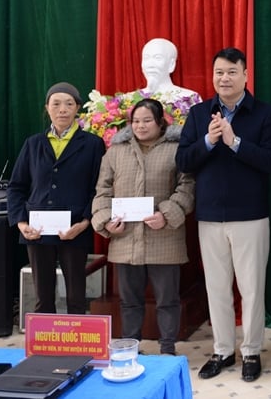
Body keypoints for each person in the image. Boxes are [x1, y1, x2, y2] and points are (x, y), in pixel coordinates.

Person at [175, 47, 271, 382]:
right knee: (217, 288)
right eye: (219, 72)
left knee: (251, 289)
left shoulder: (264, 114)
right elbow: (182, 161)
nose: (224, 78)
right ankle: (222, 350)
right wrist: (208, 140)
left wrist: (236, 143)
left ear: (246, 75)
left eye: (232, 72)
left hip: (250, 216)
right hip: (209, 216)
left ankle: (250, 351)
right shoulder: (198, 115)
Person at [91, 99, 195, 355]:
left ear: (161, 122)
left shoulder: (176, 149)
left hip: (165, 237)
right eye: (136, 121)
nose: (141, 125)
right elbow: (102, 191)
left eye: (147, 120)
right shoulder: (116, 151)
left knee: (167, 300)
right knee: (129, 301)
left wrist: (166, 214)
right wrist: (106, 221)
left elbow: (187, 187)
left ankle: (168, 350)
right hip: (125, 239)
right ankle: (130, 347)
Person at [7, 82, 106, 315]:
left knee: (76, 296)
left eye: (69, 104)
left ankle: (77, 346)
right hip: (37, 231)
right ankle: (45, 346)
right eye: (56, 104)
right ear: (47, 108)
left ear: (77, 109)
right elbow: (16, 187)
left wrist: (83, 224)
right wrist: (22, 224)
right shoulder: (33, 144)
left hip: (75, 228)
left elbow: (99, 189)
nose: (62, 109)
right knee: (43, 297)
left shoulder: (92, 144)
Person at [139, 38, 199, 102]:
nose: (150, 65)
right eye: (146, 58)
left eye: (157, 58)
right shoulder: (129, 99)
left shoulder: (189, 98)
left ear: (171, 64)